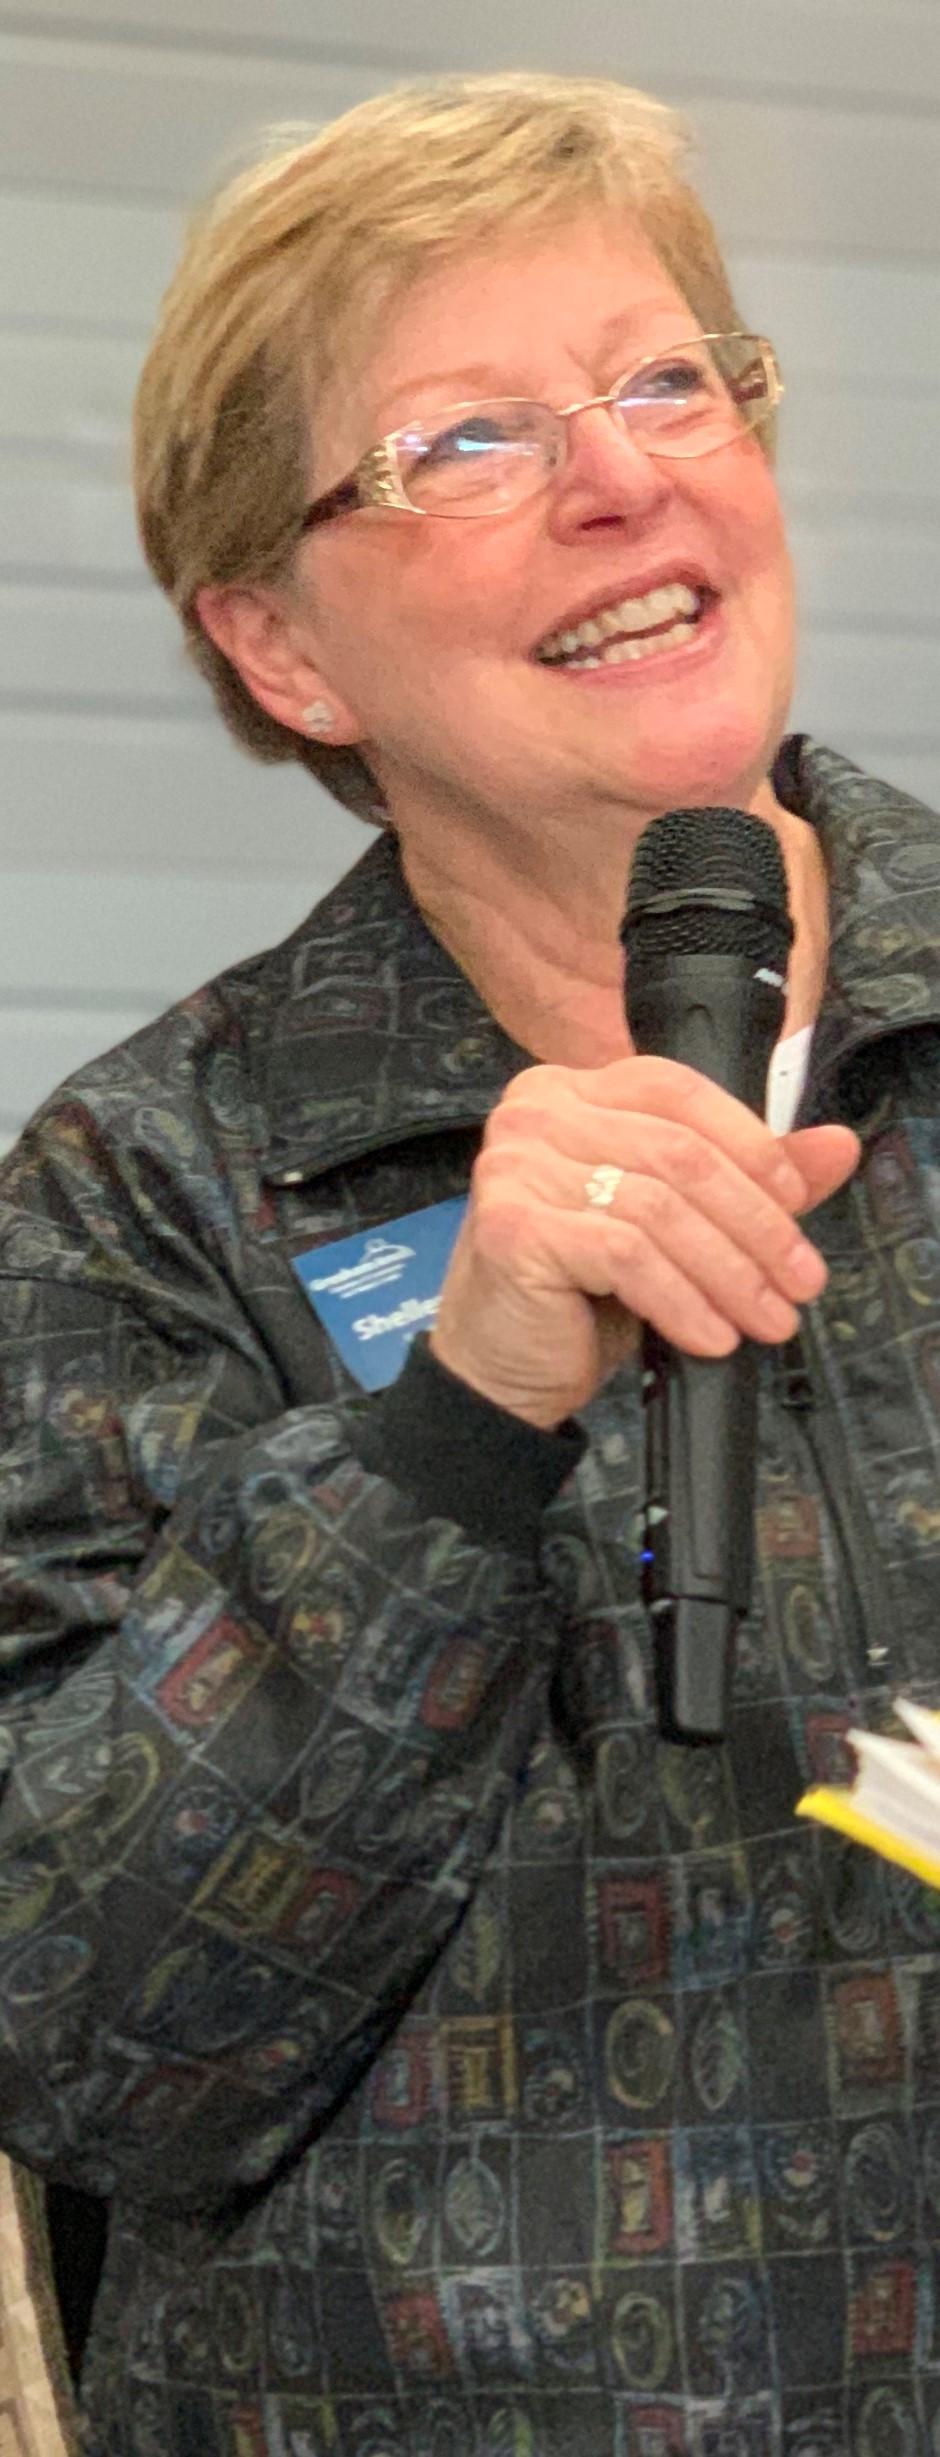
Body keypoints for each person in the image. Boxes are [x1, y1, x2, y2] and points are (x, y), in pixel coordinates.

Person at [1, 65, 939, 2457]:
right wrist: (452, 1427)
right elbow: (88, 2040)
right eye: (464, 442)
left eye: (662, 381)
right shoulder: (151, 1184)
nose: (619, 479)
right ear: (282, 648)